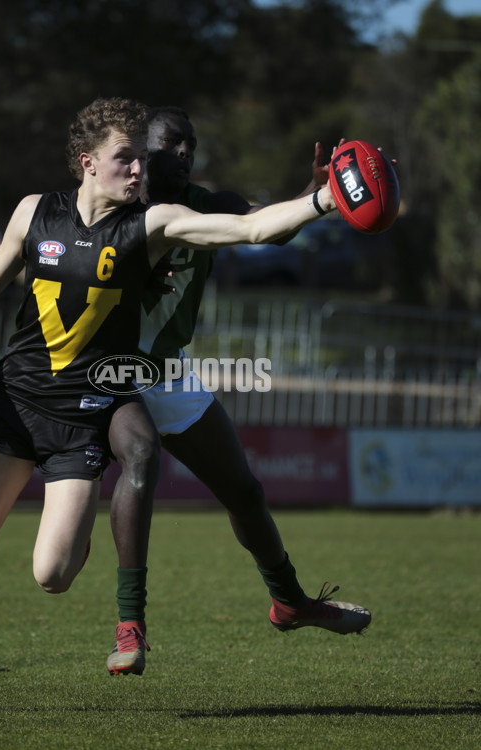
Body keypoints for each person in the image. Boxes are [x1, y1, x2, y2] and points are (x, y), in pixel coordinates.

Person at [0, 95, 345, 714]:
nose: (142, 169)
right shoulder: (36, 211)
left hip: (90, 404)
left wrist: (323, 200)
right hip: (20, 396)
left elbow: (251, 228)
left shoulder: (154, 222)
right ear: (88, 162)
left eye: (144, 158)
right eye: (128, 158)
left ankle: (97, 539)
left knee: (53, 575)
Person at [138, 105, 371, 642]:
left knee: (243, 491)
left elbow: (264, 227)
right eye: (173, 142)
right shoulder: (115, 207)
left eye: (191, 145)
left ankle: (290, 601)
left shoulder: (206, 204)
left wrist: (311, 199)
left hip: (169, 373)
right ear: (140, 147)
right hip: (101, 371)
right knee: (109, 493)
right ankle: (130, 621)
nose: (185, 152)